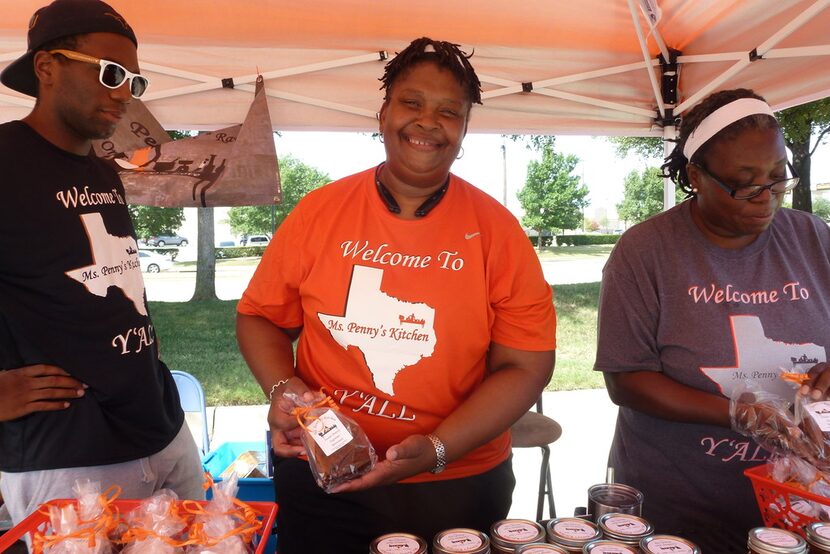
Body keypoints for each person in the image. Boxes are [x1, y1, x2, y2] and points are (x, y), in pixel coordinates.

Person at [237, 37, 556, 553]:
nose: (428, 122)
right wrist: (285, 392)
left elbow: (526, 365)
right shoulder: (320, 212)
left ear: (465, 128)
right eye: (412, 103)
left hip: (459, 483)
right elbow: (260, 317)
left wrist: (437, 449)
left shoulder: (498, 231)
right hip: (324, 472)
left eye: (449, 111)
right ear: (383, 114)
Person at [594, 88, 830, 551]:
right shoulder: (645, 252)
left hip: (800, 500)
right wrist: (735, 413)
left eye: (777, 178)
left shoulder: (814, 237)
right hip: (679, 505)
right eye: (745, 183)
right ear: (697, 176)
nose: (766, 197)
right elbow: (626, 380)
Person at [0, 0, 203, 525]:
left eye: (134, 81)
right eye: (110, 73)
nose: (123, 94)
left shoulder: (102, 170)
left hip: (162, 429)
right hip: (67, 454)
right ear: (47, 68)